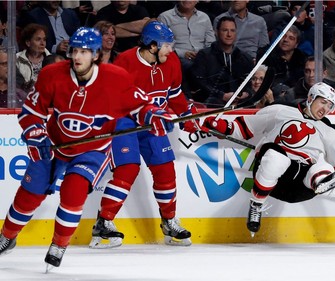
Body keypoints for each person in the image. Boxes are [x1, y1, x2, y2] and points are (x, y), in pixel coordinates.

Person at [0, 27, 175, 269]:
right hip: (54, 143)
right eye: (75, 51)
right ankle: (7, 236)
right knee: (30, 194)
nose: (77, 57)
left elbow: (141, 106)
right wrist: (35, 134)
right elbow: (32, 111)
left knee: (74, 191)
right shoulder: (52, 74)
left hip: (92, 149)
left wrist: (154, 116)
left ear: (96, 55)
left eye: (84, 51)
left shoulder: (116, 78)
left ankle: (59, 244)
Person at [202, 82, 335, 237]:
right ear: (311, 97)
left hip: (300, 186)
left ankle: (322, 183)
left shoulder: (331, 131)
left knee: (324, 168)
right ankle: (256, 205)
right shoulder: (280, 110)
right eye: (323, 102)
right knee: (277, 157)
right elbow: (246, 127)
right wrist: (221, 126)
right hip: (275, 177)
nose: (325, 109)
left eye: (330, 106)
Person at [89, 21, 199, 249]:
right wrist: (149, 115)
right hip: (124, 123)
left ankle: (169, 222)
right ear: (152, 46)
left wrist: (188, 116)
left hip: (153, 124)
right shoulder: (125, 63)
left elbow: (175, 95)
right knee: (127, 169)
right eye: (167, 45)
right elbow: (117, 101)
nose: (171, 50)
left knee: (165, 169)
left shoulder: (172, 61)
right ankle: (103, 224)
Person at [190, 16, 254, 107]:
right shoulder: (204, 55)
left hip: (239, 102)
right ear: (216, 32)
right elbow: (200, 83)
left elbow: (250, 84)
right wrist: (222, 96)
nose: (229, 34)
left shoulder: (245, 58)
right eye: (225, 30)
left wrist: (246, 94)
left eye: (232, 30)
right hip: (213, 102)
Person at [158, 0, 215, 99]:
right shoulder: (165, 17)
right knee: (189, 65)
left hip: (202, 57)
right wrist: (182, 53)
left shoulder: (204, 18)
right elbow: (163, 44)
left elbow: (211, 42)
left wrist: (203, 54)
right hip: (177, 57)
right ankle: (188, 98)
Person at [258, 25, 307, 98]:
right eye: (283, 36)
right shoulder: (266, 56)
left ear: (296, 44)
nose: (285, 40)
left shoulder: (303, 59)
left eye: (291, 38)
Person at [16, 23, 51, 93]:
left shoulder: (52, 60)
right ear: (28, 43)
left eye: (44, 40)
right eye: (38, 39)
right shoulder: (16, 59)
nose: (42, 43)